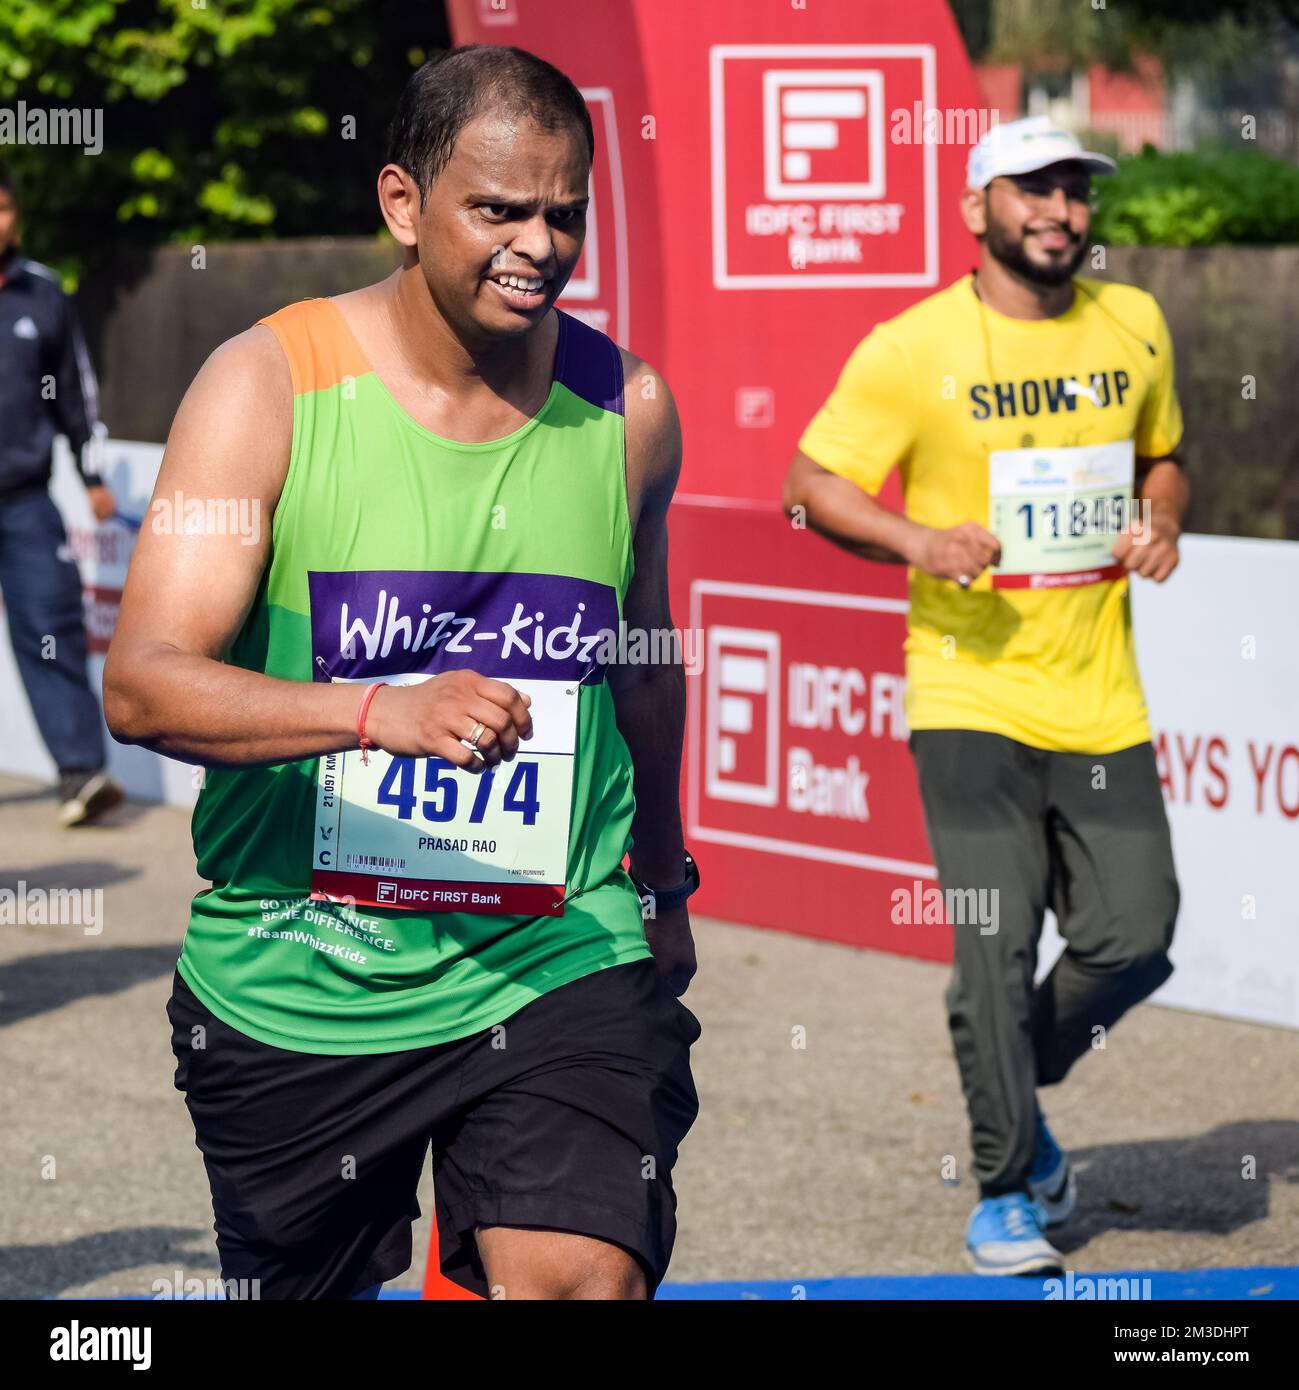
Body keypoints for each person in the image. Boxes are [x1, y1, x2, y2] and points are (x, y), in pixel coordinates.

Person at [104, 45, 702, 1301]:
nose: (537, 244)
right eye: (498, 209)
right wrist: (378, 713)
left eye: (565, 213)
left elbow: (644, 662)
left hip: (554, 947)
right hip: (297, 970)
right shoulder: (265, 386)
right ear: (401, 203)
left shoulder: (629, 408)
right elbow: (146, 683)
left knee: (583, 1275)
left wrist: (662, 881)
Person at [784, 116, 1187, 1275]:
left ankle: (1016, 1079)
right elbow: (808, 487)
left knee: (1137, 937)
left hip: (1102, 695)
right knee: (993, 948)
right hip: (966, 691)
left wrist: (1161, 515)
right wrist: (918, 538)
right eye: (1035, 189)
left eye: (1077, 191)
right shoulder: (911, 350)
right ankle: (1007, 1185)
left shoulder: (1136, 323)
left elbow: (1166, 449)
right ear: (976, 211)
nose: (1062, 210)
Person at [0, 159, 123, 826]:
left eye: (3, 209)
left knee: (51, 627)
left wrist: (93, 475)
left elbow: (76, 396)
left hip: (23, 501)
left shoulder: (42, 294)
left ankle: (82, 774)